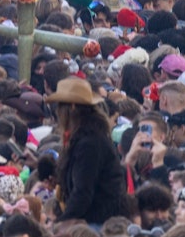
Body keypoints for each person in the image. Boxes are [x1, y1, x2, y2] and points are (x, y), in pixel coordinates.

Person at [46, 77, 129, 224]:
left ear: (71, 107)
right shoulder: (87, 137)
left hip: (96, 221)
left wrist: (60, 223)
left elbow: (83, 192)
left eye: (60, 106)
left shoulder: (89, 143)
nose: (57, 112)